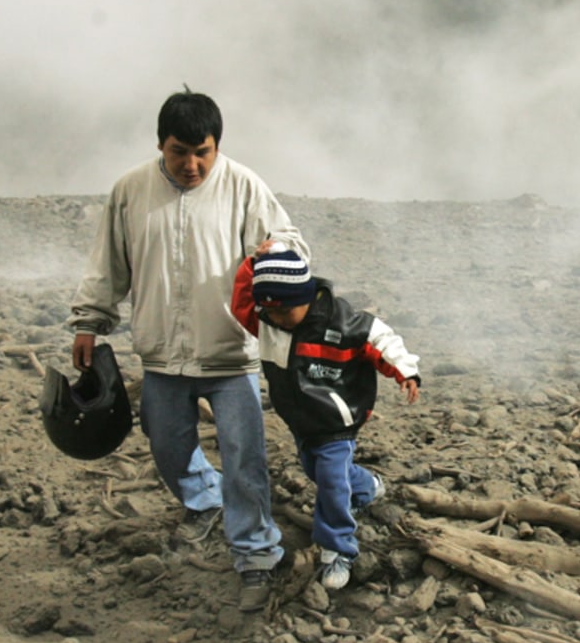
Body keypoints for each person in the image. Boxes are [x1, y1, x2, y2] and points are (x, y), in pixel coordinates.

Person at [68, 89, 308, 613]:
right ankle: (204, 500)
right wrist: (90, 322)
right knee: (167, 447)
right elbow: (108, 263)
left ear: (217, 145)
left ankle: (255, 556)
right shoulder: (130, 191)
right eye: (179, 151)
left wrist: (277, 251)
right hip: (162, 354)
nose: (192, 164)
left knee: (245, 458)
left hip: (229, 353)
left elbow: (290, 240)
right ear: (161, 144)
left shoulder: (243, 186)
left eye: (203, 151)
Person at [231, 247, 421, 591]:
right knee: (318, 471)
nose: (278, 319)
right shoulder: (268, 320)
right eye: (270, 311)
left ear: (304, 297)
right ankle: (368, 486)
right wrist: (252, 265)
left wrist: (405, 371)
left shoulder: (342, 321)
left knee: (331, 482)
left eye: (286, 311)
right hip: (301, 420)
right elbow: (241, 302)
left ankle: (338, 548)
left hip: (337, 420)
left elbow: (381, 339)